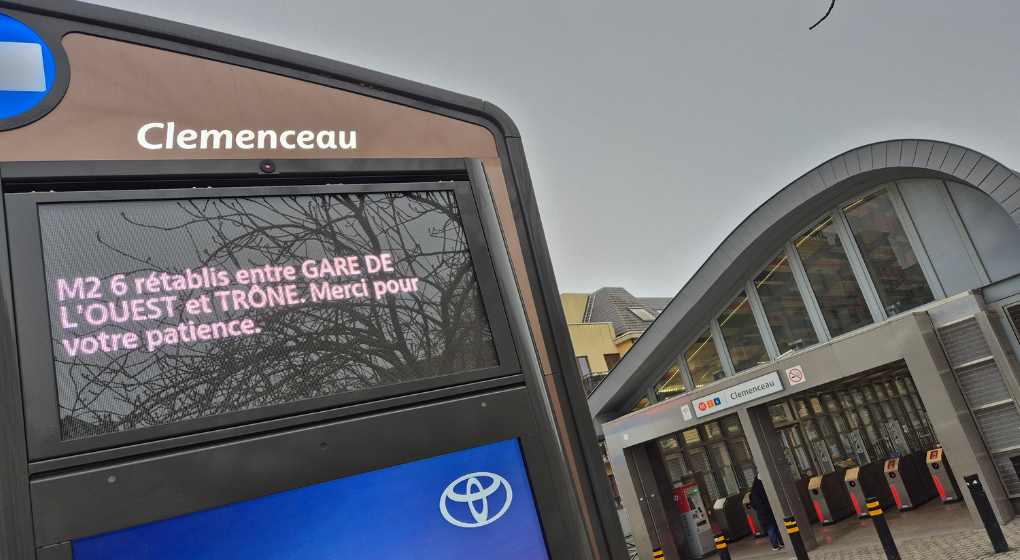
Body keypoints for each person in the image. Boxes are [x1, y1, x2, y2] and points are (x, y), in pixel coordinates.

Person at [749, 474, 785, 551]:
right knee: (772, 528)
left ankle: (781, 542)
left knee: (775, 527)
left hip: (768, 511)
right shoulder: (757, 488)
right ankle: (775, 545)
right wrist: (764, 510)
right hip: (765, 512)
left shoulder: (759, 487)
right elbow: (757, 501)